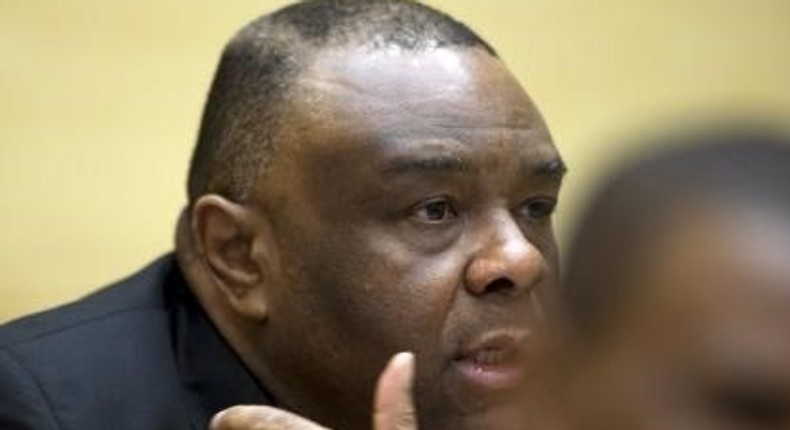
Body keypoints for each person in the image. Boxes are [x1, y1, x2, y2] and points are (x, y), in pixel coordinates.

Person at [0, 1, 565, 429]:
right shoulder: (39, 409)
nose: (522, 258)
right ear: (238, 255)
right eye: (434, 210)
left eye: (536, 207)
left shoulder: (584, 401)